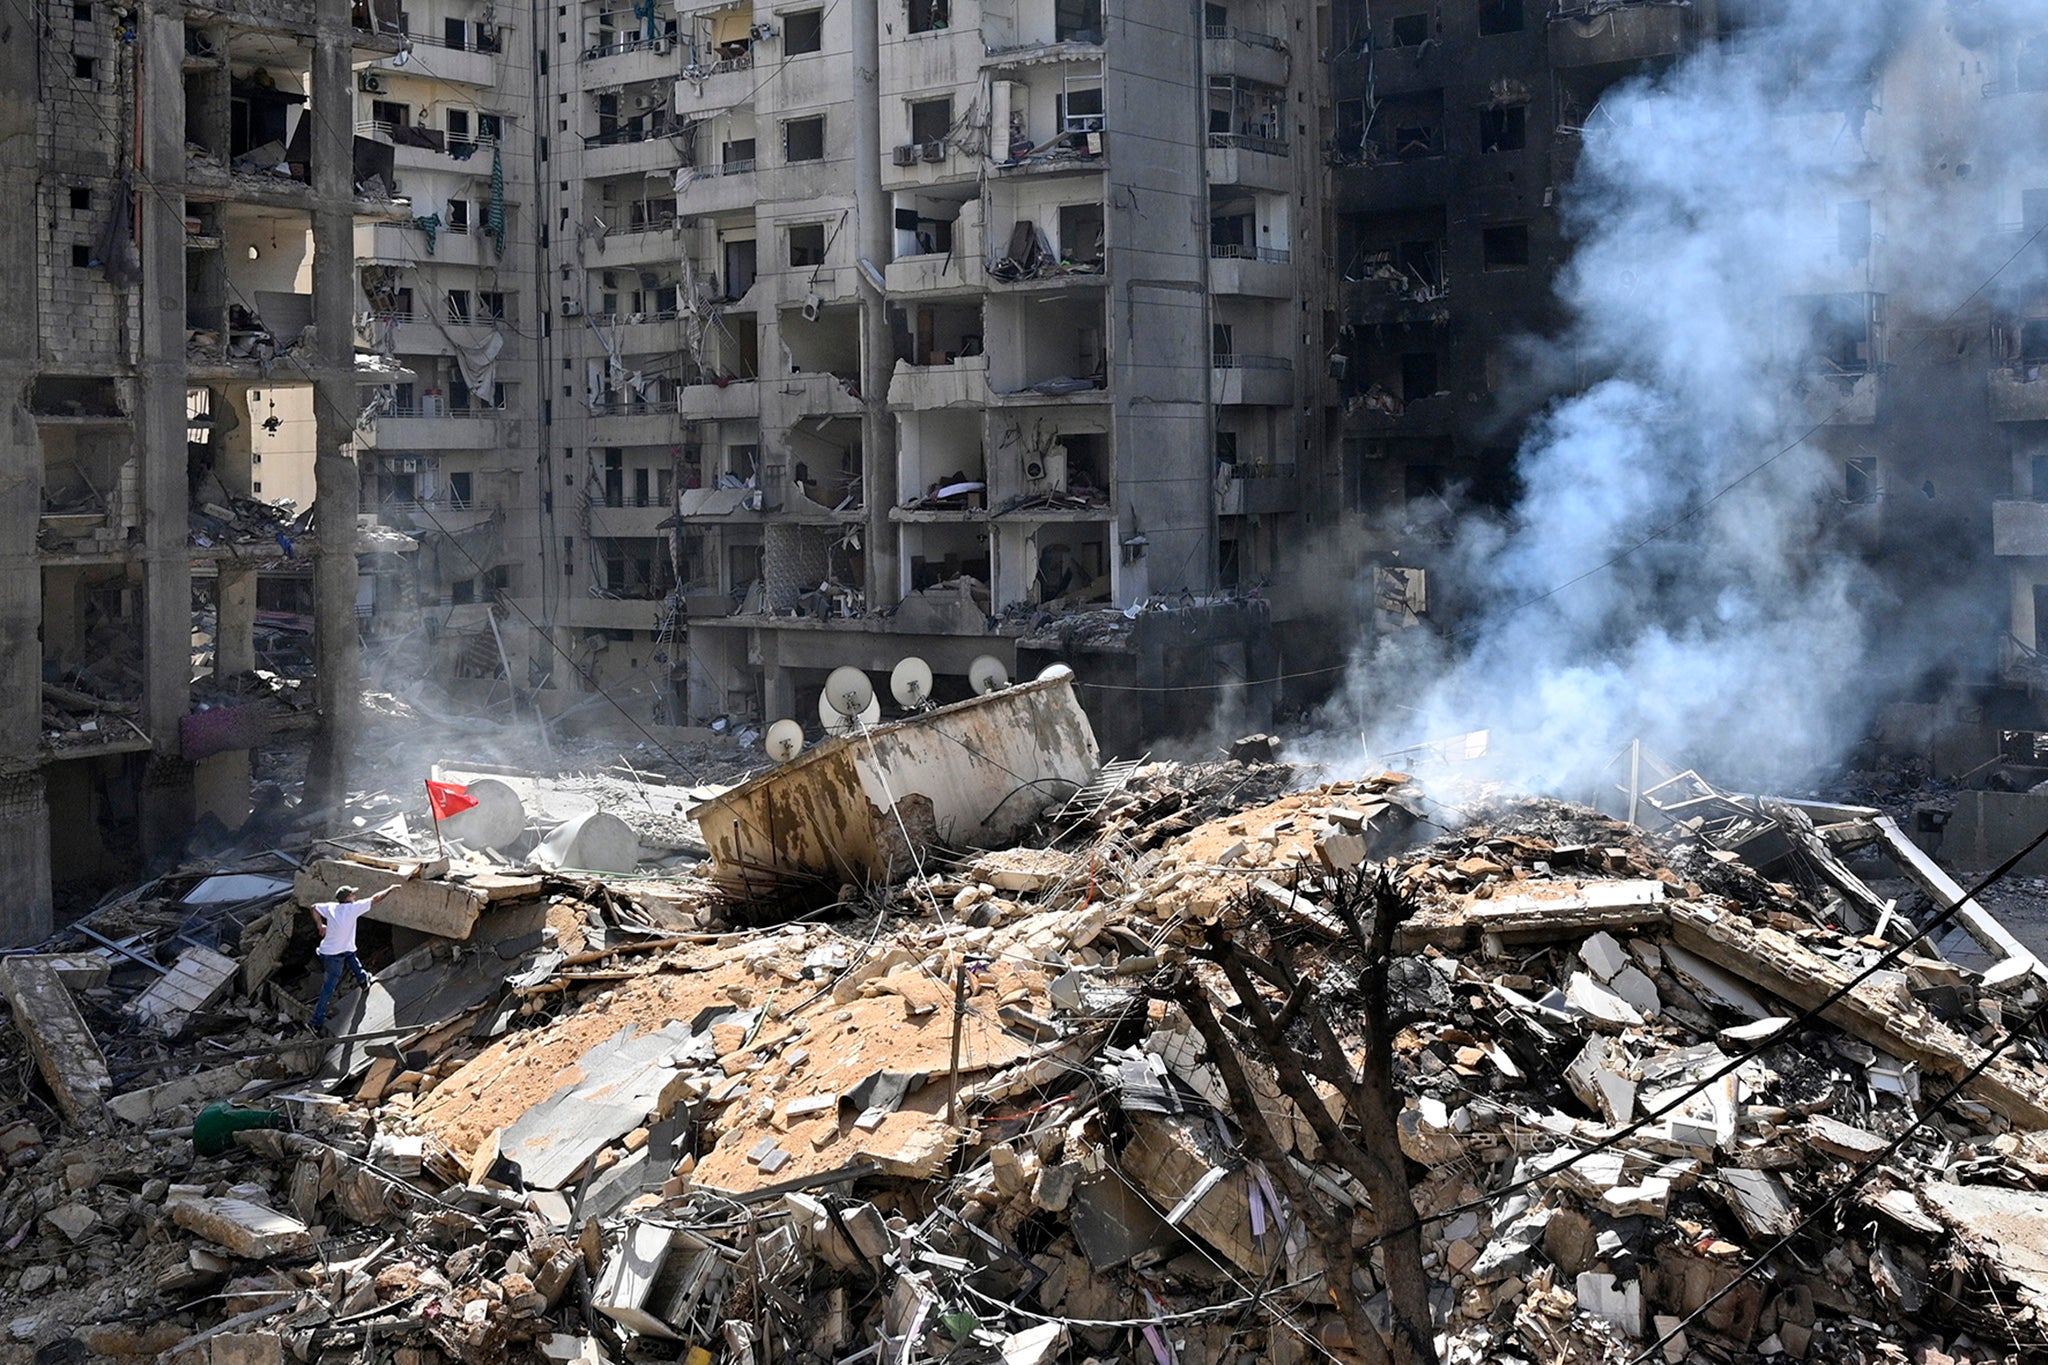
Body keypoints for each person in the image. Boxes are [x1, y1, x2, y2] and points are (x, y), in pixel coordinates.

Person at [308, 884, 397, 1031]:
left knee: (350, 954)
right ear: (348, 898)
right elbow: (376, 899)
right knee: (328, 988)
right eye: (353, 895)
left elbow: (313, 907)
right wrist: (390, 889)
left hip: (328, 951)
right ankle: (316, 1022)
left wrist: (320, 925)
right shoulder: (353, 908)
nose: (355, 897)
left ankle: (363, 979)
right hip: (334, 956)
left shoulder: (331, 907)